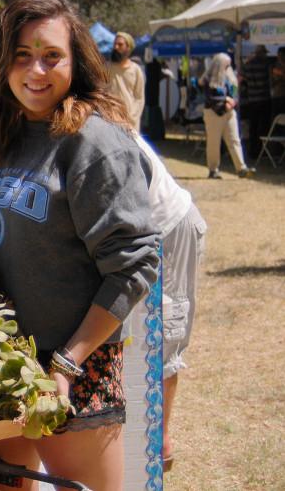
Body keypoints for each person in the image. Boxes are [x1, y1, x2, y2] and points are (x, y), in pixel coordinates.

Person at [0, 0, 159, 490]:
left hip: (75, 371)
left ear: (76, 61)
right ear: (1, 63)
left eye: (52, 56)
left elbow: (134, 266)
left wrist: (67, 363)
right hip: (0, 372)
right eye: (22, 55)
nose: (37, 70)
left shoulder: (95, 145)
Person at [131, 136, 206, 473]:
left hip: (168, 229)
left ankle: (159, 444)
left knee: (162, 339)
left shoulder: (91, 117)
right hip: (140, 231)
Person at [199, 53, 255, 179]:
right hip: (213, 113)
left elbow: (235, 93)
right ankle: (213, 170)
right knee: (214, 142)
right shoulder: (208, 78)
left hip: (229, 113)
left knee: (234, 140)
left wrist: (233, 101)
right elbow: (210, 97)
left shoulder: (230, 78)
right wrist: (226, 101)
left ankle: (241, 168)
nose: (229, 67)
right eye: (226, 65)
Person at [108, 31, 145, 131]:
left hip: (130, 123)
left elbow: (139, 97)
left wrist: (132, 117)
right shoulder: (106, 68)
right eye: (115, 44)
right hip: (109, 120)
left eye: (120, 45)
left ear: (128, 48)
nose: (116, 47)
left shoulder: (136, 70)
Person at [240, 45, 272, 158]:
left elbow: (242, 82)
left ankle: (253, 151)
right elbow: (269, 81)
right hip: (264, 99)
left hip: (252, 100)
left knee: (253, 127)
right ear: (262, 53)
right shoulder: (265, 65)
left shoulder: (247, 65)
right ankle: (262, 151)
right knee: (263, 126)